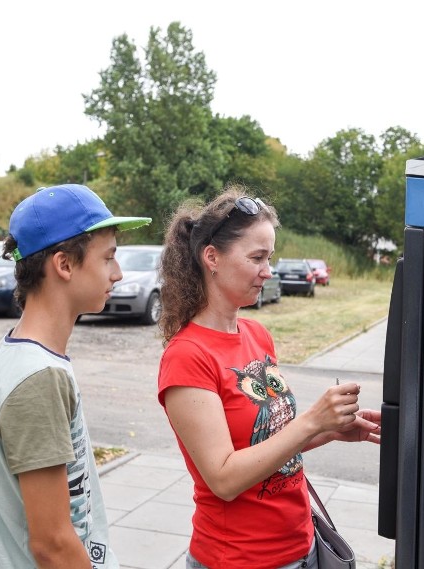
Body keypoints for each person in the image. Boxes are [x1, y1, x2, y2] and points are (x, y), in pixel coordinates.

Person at [157, 184, 381, 568]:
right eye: (257, 257)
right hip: (241, 559)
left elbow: (269, 445)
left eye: (269, 257)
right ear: (212, 257)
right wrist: (310, 421)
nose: (268, 270)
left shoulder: (257, 335)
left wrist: (328, 430)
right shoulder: (187, 356)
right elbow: (224, 478)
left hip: (301, 545)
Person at [0, 184, 150, 568]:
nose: (118, 273)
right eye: (108, 259)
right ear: (64, 264)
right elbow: (52, 545)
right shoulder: (38, 377)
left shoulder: (12, 356)